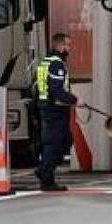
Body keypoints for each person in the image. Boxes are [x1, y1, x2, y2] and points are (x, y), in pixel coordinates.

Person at [34, 32, 78, 191]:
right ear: (59, 46)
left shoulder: (45, 62)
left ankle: (44, 170)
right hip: (55, 109)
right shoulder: (57, 64)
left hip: (46, 106)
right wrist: (75, 100)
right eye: (67, 45)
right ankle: (46, 178)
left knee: (62, 141)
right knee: (56, 144)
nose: (68, 49)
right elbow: (56, 89)